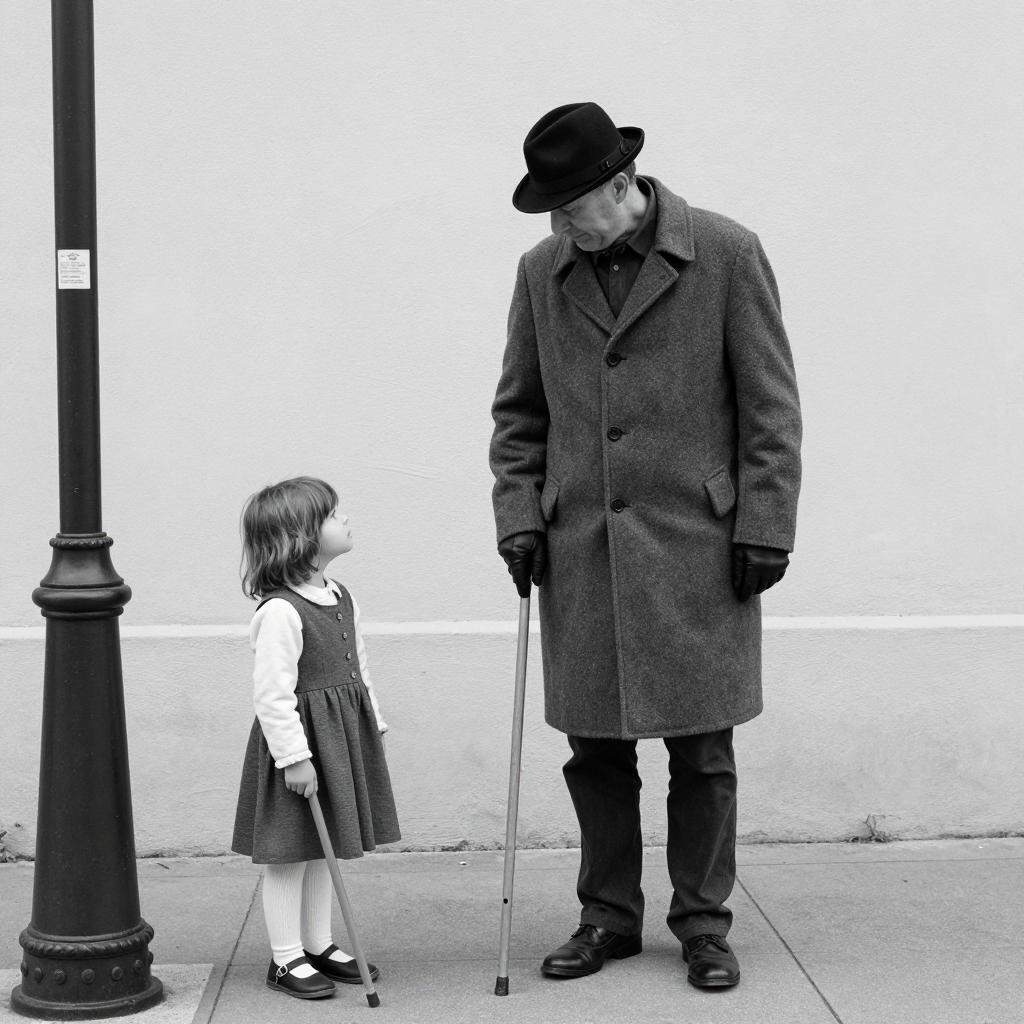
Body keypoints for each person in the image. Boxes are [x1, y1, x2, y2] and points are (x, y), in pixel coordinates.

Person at [489, 102, 801, 990]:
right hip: (582, 546)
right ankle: (607, 917)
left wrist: (766, 525)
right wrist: (518, 513)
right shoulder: (542, 271)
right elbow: (519, 412)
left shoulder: (727, 253)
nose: (559, 226)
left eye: (568, 207)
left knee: (702, 751)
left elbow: (771, 408)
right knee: (595, 750)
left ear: (622, 184)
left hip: (699, 547)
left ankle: (703, 924)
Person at [231, 476, 400, 1000]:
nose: (344, 519)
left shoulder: (341, 596)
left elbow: (358, 667)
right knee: (291, 852)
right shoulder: (281, 611)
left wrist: (371, 723)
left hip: (339, 739)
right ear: (300, 536)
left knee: (327, 846)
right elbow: (272, 696)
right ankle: (285, 959)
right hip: (300, 746)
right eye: (331, 515)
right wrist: (294, 759)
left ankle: (318, 944)